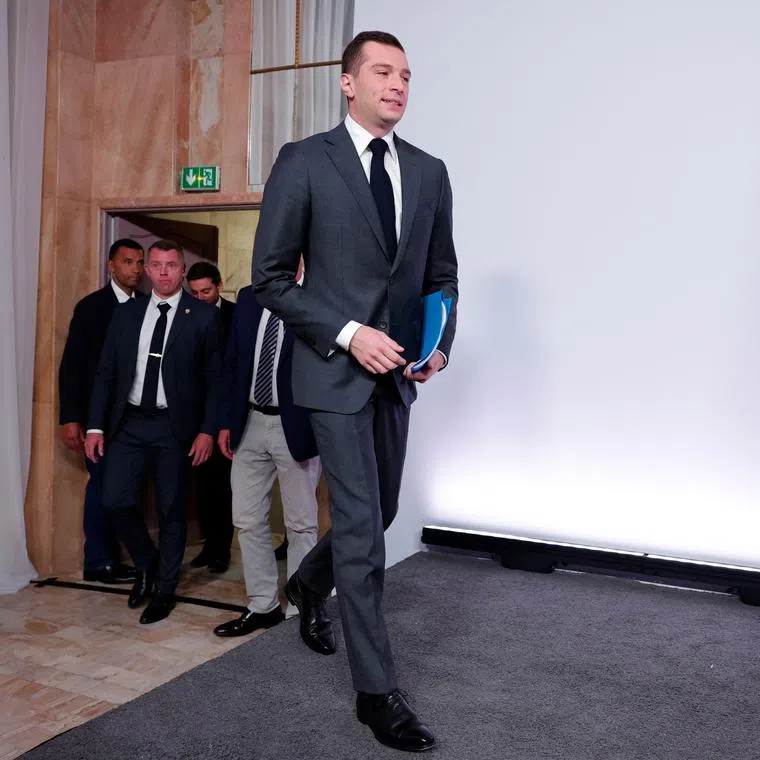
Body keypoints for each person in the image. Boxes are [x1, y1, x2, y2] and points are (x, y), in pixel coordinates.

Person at [252, 30, 458, 753]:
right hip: (334, 376)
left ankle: (310, 582)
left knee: (384, 512)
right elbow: (270, 281)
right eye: (382, 71)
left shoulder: (429, 172)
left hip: (396, 379)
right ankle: (378, 695)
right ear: (348, 83)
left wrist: (436, 347)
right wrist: (347, 332)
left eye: (406, 74)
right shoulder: (305, 162)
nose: (397, 84)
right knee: (367, 533)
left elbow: (441, 277)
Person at [85, 240, 222, 625]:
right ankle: (147, 563)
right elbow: (106, 372)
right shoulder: (127, 314)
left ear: (182, 270)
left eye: (172, 265)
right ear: (148, 270)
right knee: (113, 499)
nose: (163, 272)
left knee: (171, 508)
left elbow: (216, 381)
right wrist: (95, 425)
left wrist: (207, 430)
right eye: (157, 265)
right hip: (128, 423)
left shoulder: (203, 317)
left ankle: (164, 590)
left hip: (174, 427)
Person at [213, 265, 321, 638]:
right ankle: (263, 606)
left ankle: (300, 610)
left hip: (297, 428)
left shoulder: (319, 296)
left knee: (301, 524)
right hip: (248, 423)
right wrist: (226, 420)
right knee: (246, 519)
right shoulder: (248, 296)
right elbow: (233, 362)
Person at [58, 238, 145, 585]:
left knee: (127, 490)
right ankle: (98, 560)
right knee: (102, 487)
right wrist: (71, 417)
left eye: (139, 262)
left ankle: (125, 555)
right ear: (111, 265)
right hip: (100, 420)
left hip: (137, 418)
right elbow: (73, 366)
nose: (135, 270)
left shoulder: (147, 306)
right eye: (128, 262)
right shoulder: (92, 307)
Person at [186, 261, 236, 572]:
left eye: (206, 290)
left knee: (225, 488)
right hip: (195, 416)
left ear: (218, 286)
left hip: (228, 415)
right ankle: (208, 546)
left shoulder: (236, 314)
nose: (201, 297)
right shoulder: (186, 315)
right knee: (201, 487)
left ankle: (221, 551)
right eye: (194, 292)